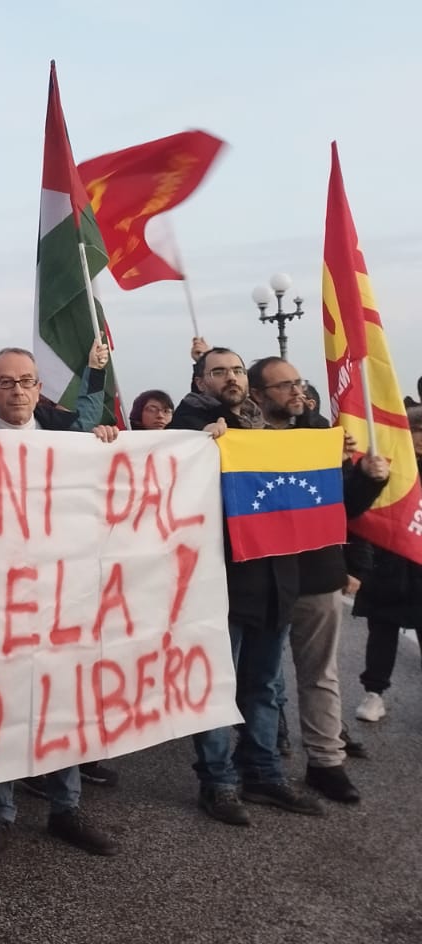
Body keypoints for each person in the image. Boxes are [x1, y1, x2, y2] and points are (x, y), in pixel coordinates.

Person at [0, 344, 121, 859]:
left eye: (26, 381)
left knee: (66, 699)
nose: (18, 391)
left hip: (61, 596)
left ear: (39, 388)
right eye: (6, 383)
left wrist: (99, 434)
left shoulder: (65, 439)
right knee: (3, 703)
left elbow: (93, 426)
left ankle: (66, 808)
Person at [174, 348, 325, 824]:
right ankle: (217, 783)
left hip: (277, 581)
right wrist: (203, 439)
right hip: (221, 584)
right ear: (201, 382)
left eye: (237, 370)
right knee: (218, 686)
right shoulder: (196, 425)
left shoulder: (275, 432)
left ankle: (263, 774)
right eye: (218, 372)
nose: (230, 378)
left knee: (261, 686)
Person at [248, 356, 389, 803]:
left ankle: (327, 763)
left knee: (321, 676)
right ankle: (259, 764)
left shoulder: (321, 439)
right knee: (260, 679)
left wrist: (367, 480)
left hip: (317, 575)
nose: (296, 391)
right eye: (283, 385)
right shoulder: (238, 442)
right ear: (258, 395)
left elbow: (343, 507)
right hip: (262, 577)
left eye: (298, 382)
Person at [350, 404, 422, 722]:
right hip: (387, 562)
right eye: (416, 434)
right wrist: (362, 567)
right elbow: (366, 516)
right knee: (382, 633)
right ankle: (374, 694)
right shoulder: (387, 467)